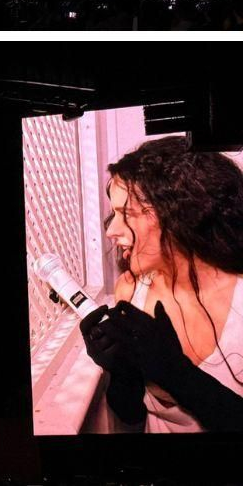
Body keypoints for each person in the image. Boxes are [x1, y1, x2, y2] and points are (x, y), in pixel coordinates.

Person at [78, 136, 243, 432]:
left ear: (181, 214)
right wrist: (120, 372)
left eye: (125, 214)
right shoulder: (130, 290)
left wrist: (176, 373)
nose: (111, 231)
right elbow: (129, 416)